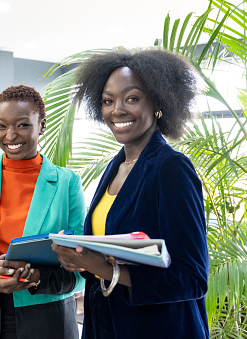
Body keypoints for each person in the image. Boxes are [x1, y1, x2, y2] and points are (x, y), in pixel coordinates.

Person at [52, 48, 209, 338]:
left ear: (158, 102)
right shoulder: (115, 166)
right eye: (108, 101)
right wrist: (81, 261)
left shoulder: (171, 168)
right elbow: (106, 258)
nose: (117, 110)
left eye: (132, 98)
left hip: (160, 329)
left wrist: (105, 269)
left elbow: (192, 278)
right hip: (105, 326)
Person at [0, 85, 86, 338]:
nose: (10, 135)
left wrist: (36, 276)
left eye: (22, 125)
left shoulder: (68, 183)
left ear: (41, 126)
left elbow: (80, 272)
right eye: (1, 126)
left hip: (48, 320)